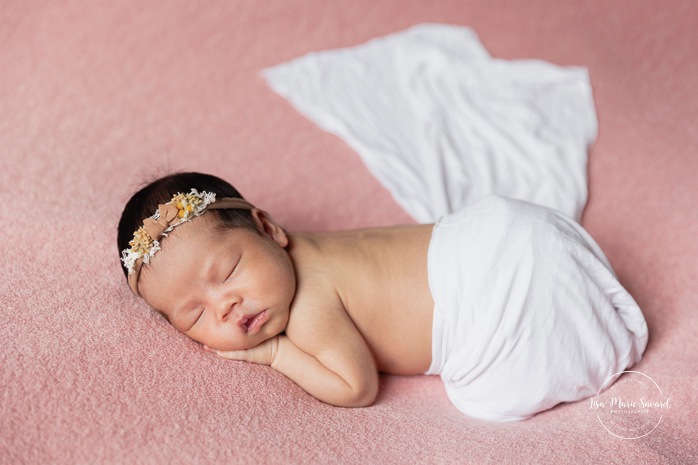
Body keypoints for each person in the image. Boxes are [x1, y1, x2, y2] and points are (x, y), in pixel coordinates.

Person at [117, 171, 648, 422]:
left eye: (228, 270)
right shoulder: (303, 251)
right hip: (505, 228)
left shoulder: (307, 311)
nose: (226, 307)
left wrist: (275, 353)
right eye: (195, 315)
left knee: (494, 399)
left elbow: (356, 387)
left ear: (268, 227)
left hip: (501, 289)